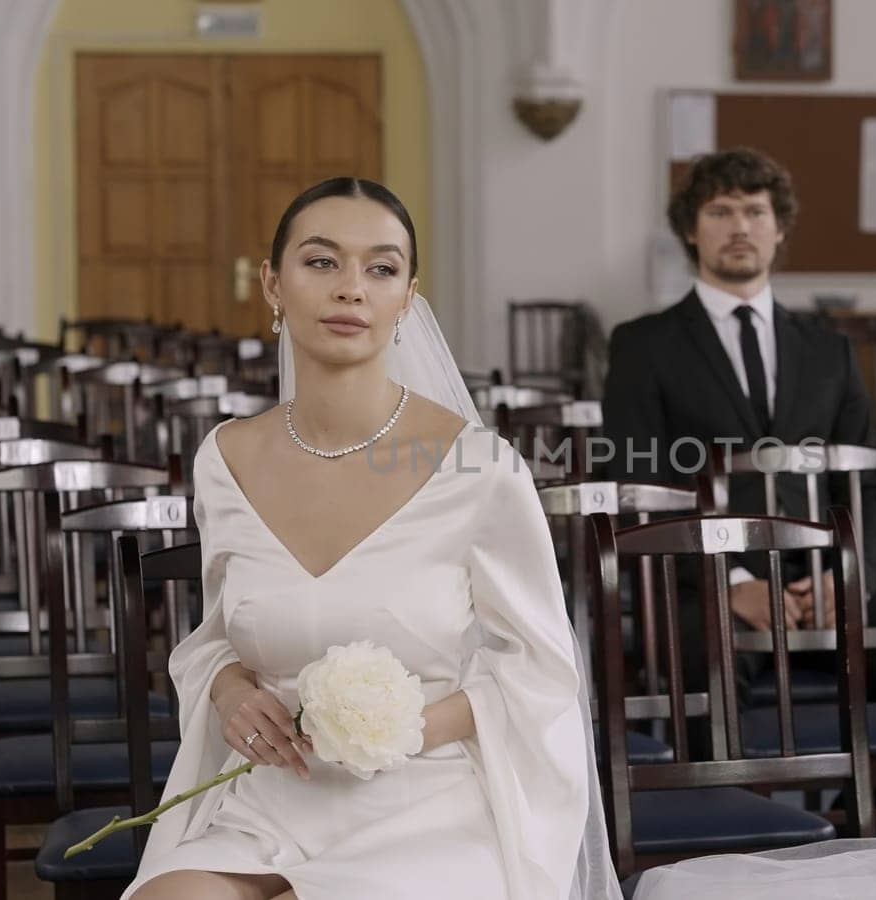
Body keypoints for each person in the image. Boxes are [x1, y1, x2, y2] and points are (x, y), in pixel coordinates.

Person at [124, 178, 617, 900]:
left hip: (428, 804)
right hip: (274, 801)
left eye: (380, 269)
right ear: (272, 283)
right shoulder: (224, 459)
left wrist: (399, 727)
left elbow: (538, 672)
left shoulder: (480, 469)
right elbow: (221, 633)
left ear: (407, 299)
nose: (351, 288)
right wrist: (230, 692)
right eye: (321, 262)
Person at [600, 147, 876, 701]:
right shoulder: (642, 346)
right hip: (709, 589)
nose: (739, 227)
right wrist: (731, 584)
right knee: (713, 684)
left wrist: (848, 578)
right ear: (690, 232)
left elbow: (867, 482)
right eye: (720, 212)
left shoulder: (830, 352)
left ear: (779, 230)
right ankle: (734, 792)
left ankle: (871, 794)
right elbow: (638, 487)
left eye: (755, 212)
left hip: (823, 585)